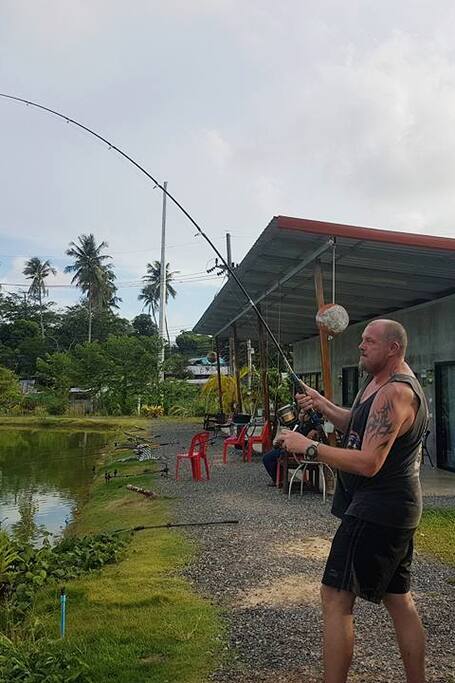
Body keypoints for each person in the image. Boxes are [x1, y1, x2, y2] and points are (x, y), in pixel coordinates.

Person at [276, 319, 428, 683]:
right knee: (398, 599)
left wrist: (309, 447)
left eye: (369, 341)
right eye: (362, 339)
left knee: (335, 596)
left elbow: (369, 462)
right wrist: (322, 403)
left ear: (393, 348)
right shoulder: (376, 383)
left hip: (379, 509)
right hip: (393, 508)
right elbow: (357, 424)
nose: (361, 345)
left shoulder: (396, 392)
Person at [262, 409, 319, 485]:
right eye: (300, 413)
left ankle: (277, 480)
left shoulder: (309, 426)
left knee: (267, 458)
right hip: (289, 448)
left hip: (295, 452)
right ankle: (278, 479)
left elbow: (303, 440)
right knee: (271, 455)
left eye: (303, 413)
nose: (300, 415)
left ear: (308, 416)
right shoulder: (298, 424)